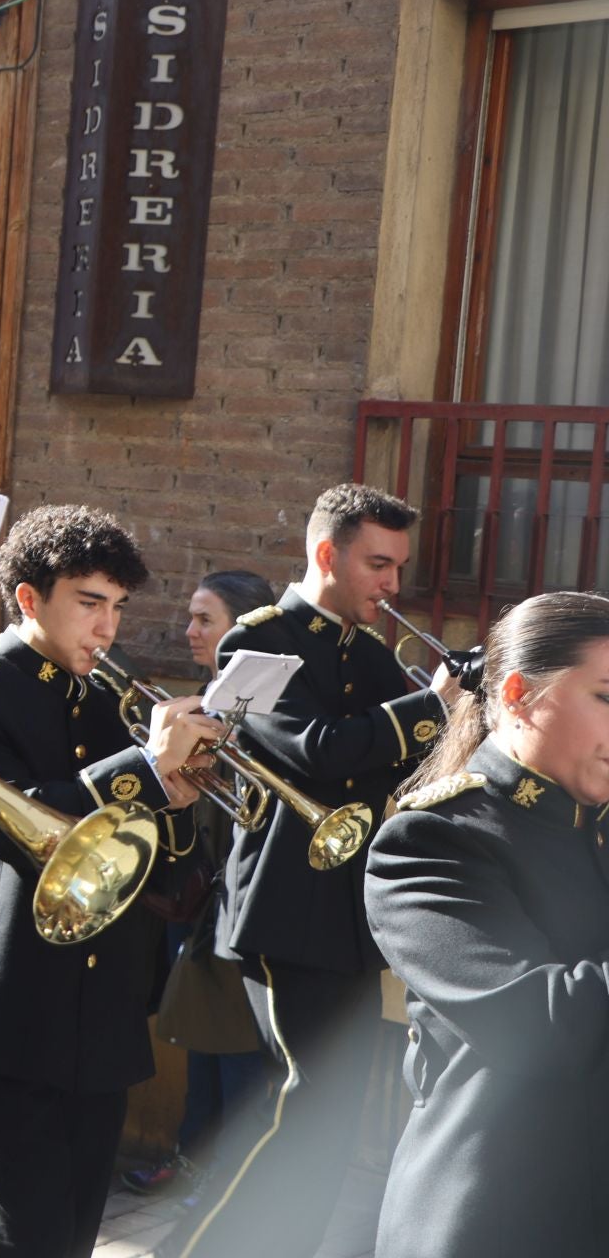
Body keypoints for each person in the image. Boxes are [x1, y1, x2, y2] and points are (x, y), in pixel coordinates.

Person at [166, 484, 459, 1258]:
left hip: (356, 912)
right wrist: (432, 706)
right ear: (327, 554)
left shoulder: (369, 651)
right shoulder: (259, 640)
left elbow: (404, 760)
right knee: (297, 1105)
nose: (393, 585)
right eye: (378, 564)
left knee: (325, 1119)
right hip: (287, 905)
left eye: (399, 567)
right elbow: (316, 748)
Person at [0, 503, 216, 1258]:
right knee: (27, 1244)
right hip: (7, 1013)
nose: (108, 628)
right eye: (89, 603)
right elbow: (24, 828)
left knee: (73, 1242)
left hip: (104, 1015)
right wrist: (146, 769)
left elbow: (164, 867)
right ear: (28, 598)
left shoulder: (119, 706)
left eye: (117, 607)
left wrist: (179, 796)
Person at [365, 591, 608, 1257]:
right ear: (521, 694)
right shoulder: (431, 838)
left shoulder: (593, 823)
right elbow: (541, 1024)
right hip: (499, 1216)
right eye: (606, 698)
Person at [123, 570, 273, 1199]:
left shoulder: (265, 711)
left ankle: (229, 1178)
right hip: (195, 900)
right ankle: (194, 1161)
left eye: (204, 619)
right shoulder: (197, 702)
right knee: (203, 1038)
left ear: (242, 628)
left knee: (239, 1048)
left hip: (241, 905)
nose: (188, 631)